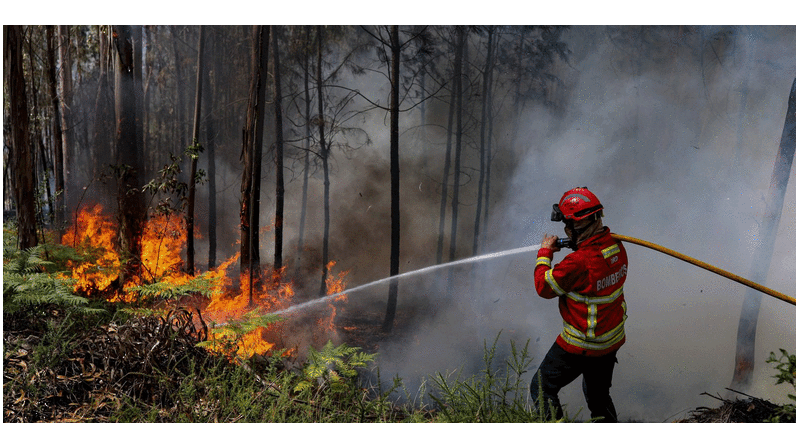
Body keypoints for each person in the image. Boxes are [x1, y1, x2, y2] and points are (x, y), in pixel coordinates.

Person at [530, 187, 628, 423]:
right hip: (610, 340)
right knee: (598, 397)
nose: (565, 230)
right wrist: (579, 245)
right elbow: (595, 267)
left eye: (567, 225)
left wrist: (544, 254)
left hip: (582, 343)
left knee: (542, 388)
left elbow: (544, 287)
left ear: (579, 225)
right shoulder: (616, 248)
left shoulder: (578, 262)